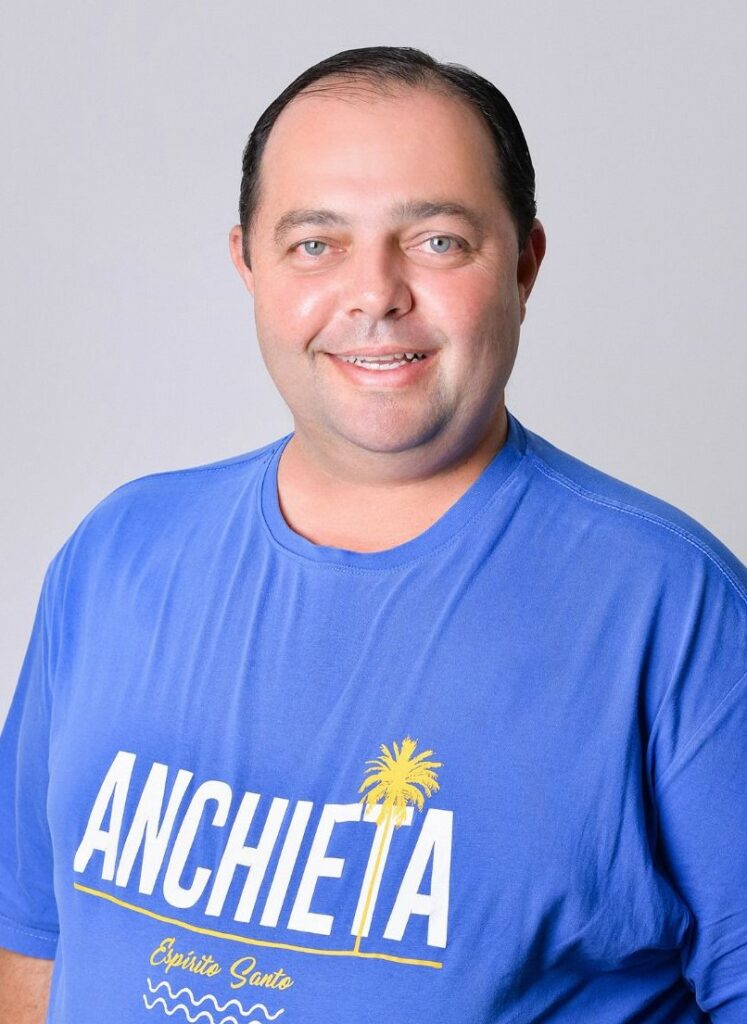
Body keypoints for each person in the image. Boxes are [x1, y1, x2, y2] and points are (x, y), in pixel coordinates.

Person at [0, 44, 745, 1024]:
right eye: (316, 244)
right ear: (249, 264)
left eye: (437, 240)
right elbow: (33, 940)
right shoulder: (116, 555)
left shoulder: (674, 609)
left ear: (524, 264)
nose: (375, 292)